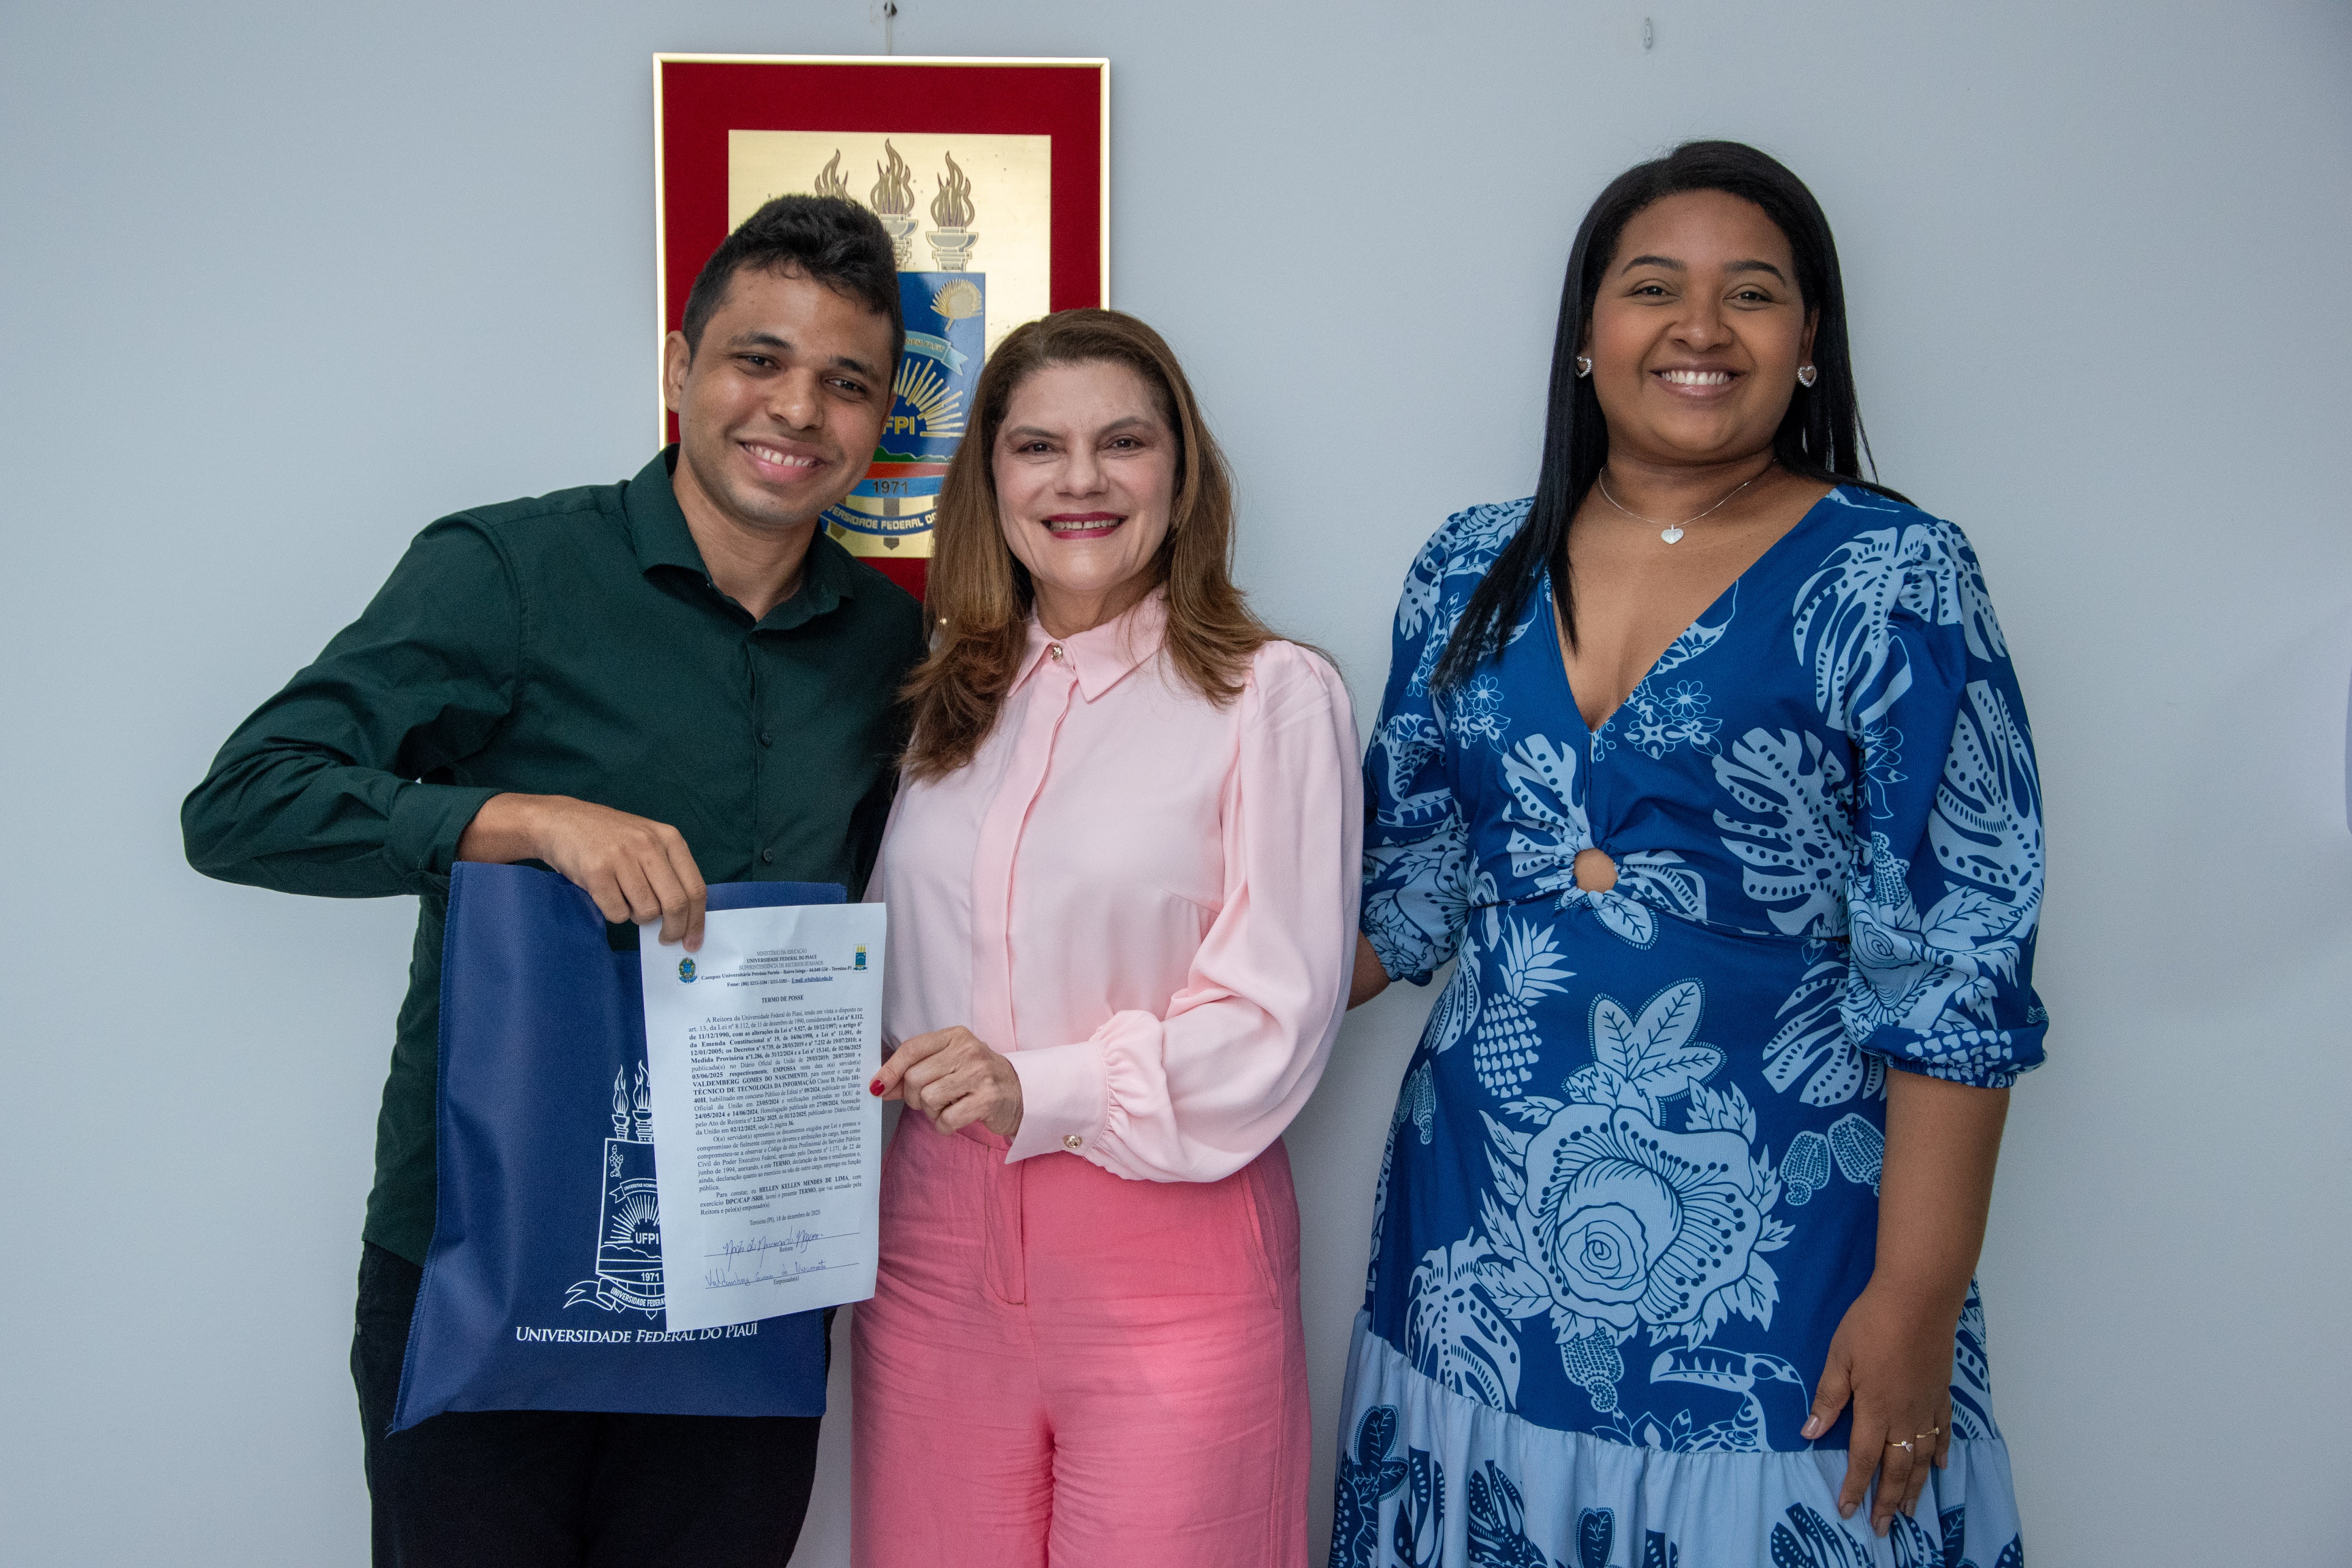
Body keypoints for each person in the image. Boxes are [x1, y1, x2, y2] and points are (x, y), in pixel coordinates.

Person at [181, 195, 927, 1566]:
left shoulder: (892, 642)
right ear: (678, 367)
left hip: (755, 1261)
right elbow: (241, 805)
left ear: (882, 418)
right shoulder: (506, 571)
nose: (796, 410)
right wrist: (516, 818)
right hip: (489, 1245)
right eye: (758, 360)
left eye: (846, 382)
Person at [1334, 142, 2042, 1568]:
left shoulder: (1893, 575)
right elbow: (1397, 898)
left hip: (1789, 1232)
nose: (1700, 328)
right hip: (1477, 1228)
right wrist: (1118, 1012)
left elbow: (1957, 964)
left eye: (1752, 294)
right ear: (1586, 333)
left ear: (1808, 340)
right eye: (1653, 287)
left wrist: (1916, 1295)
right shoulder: (1466, 567)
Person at [853, 309, 1360, 1568]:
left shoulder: (1270, 695)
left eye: (1122, 443)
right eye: (1038, 447)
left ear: (1182, 474)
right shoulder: (940, 700)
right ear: (990, 483)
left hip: (1172, 1258)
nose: (1079, 480)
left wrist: (1040, 1084)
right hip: (929, 1250)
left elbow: (1277, 1017)